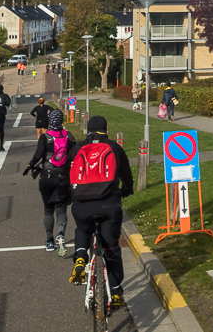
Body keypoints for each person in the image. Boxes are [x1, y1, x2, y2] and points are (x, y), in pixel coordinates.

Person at [68, 115, 133, 311]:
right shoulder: (114, 147)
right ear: (106, 129)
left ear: (88, 130)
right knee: (112, 247)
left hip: (82, 205)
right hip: (108, 204)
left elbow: (66, 172)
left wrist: (69, 194)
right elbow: (126, 173)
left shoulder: (78, 148)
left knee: (83, 229)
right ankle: (115, 291)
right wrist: (127, 189)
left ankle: (80, 257)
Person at [24, 109, 76, 254]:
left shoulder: (45, 138)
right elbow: (74, 156)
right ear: (61, 120)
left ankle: (49, 239)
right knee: (61, 208)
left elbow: (37, 156)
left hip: (46, 176)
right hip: (63, 177)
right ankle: (61, 233)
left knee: (48, 209)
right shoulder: (69, 136)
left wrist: (30, 166)